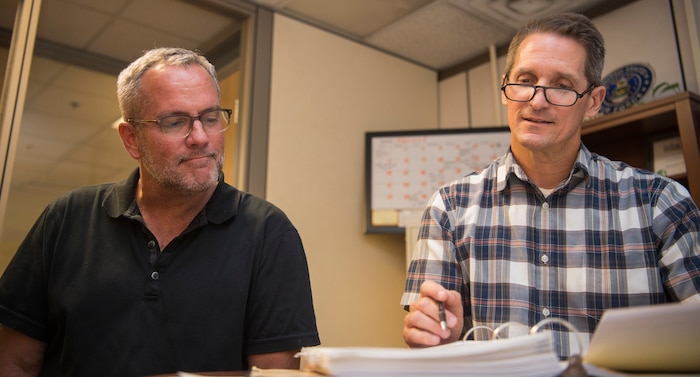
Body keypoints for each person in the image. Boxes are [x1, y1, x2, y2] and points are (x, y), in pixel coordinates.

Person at [0, 47, 320, 376]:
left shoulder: (268, 232)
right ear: (131, 139)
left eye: (210, 118)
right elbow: (15, 362)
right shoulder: (66, 217)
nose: (200, 137)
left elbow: (275, 375)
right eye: (174, 122)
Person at [401, 13, 700, 358]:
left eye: (561, 85)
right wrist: (436, 339)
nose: (537, 100)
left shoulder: (659, 203)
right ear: (505, 89)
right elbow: (429, 344)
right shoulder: (449, 208)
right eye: (526, 79)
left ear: (594, 101)